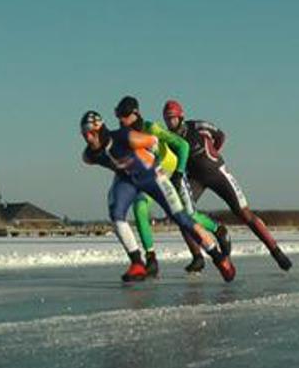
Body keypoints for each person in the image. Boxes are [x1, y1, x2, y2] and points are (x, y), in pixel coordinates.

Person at [80, 110, 236, 283]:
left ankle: (218, 257)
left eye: (91, 133)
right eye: (85, 134)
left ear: (101, 129)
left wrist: (155, 156)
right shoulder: (89, 155)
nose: (88, 138)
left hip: (152, 175)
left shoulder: (125, 136)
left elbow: (153, 140)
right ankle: (137, 263)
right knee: (116, 213)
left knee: (182, 218)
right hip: (128, 180)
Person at [162, 100, 292, 271]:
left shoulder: (197, 125)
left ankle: (276, 251)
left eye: (172, 119)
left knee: (244, 213)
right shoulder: (168, 138)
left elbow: (221, 136)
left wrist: (214, 154)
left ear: (181, 117)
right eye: (167, 119)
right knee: (182, 216)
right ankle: (197, 257)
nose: (170, 123)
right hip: (195, 179)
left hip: (217, 173)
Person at [114, 96, 231, 275]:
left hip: (171, 170)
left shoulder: (151, 128)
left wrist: (179, 173)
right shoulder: (124, 136)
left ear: (135, 114)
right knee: (139, 208)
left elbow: (183, 146)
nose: (120, 120)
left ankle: (217, 229)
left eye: (124, 115)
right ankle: (151, 258)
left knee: (187, 215)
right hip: (153, 175)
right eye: (118, 116)